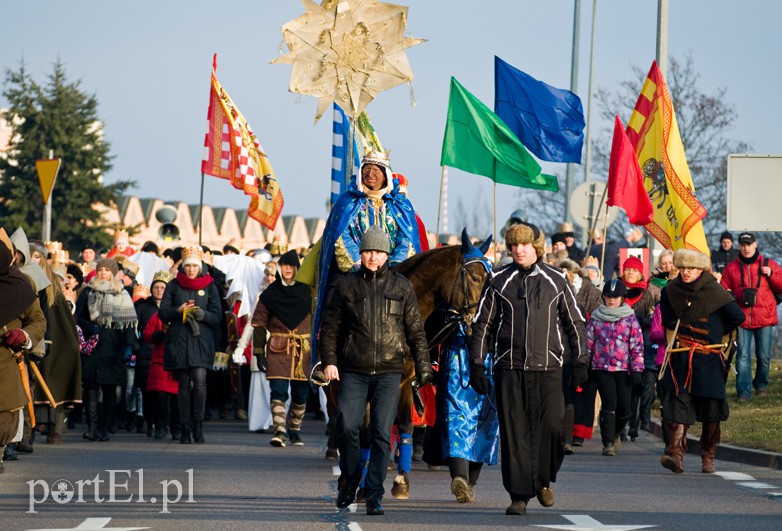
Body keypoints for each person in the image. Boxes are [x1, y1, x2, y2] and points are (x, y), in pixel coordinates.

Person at [469, 222, 589, 516]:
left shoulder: (556, 279)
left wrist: (581, 359)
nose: (519, 250)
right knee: (515, 433)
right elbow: (483, 324)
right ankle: (519, 495)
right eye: (514, 245)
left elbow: (575, 323)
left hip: (549, 368)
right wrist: (477, 364)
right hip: (509, 367)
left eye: (524, 245)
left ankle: (544, 480)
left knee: (552, 427)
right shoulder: (498, 279)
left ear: (536, 247)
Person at [319, 225, 433, 516]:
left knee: (382, 434)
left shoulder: (401, 286)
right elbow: (330, 328)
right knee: (347, 425)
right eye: (369, 251)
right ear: (362, 253)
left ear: (386, 255)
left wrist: (422, 366)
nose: (373, 257)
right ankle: (350, 480)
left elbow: (416, 332)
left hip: (389, 371)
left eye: (379, 252)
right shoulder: (345, 286)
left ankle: (373, 494)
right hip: (353, 370)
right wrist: (330, 361)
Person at [313, 150, 423, 365]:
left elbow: (407, 238)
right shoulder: (347, 202)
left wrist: (393, 267)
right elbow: (340, 236)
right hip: (354, 271)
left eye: (376, 170)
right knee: (334, 297)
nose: (370, 174)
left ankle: (422, 359)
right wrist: (360, 264)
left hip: (391, 272)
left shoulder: (400, 204)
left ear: (385, 175)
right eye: (366, 170)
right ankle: (324, 360)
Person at [659, 249, 745, 473]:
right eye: (683, 268)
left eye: (691, 268)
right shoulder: (670, 291)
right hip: (682, 357)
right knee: (679, 404)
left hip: (709, 358)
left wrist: (716, 333)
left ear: (700, 270)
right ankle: (675, 455)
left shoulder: (715, 291)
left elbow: (737, 316)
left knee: (711, 409)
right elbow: (667, 319)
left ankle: (708, 457)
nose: (686, 272)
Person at [158, 246, 222, 444]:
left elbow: (217, 315)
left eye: (195, 266)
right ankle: (184, 427)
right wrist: (178, 310)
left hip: (201, 340)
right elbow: (162, 313)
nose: (191, 270)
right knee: (184, 384)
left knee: (200, 380)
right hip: (180, 340)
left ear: (200, 266)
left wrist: (202, 314)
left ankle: (198, 424)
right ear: (183, 267)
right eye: (188, 266)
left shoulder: (210, 285)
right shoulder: (174, 285)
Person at [249, 250, 312, 448]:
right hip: (278, 348)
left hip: (303, 350)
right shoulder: (270, 294)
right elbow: (259, 323)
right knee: (278, 391)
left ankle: (294, 429)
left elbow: (321, 321)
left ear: (297, 268)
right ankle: (279, 431)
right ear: (279, 268)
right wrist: (258, 352)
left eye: (292, 266)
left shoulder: (309, 291)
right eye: (285, 265)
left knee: (301, 394)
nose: (288, 269)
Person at [75, 258, 139, 442]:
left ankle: (105, 427)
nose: (103, 272)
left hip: (114, 345)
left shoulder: (122, 293)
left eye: (107, 270)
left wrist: (129, 346)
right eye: (100, 269)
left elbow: (128, 324)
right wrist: (88, 326)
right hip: (93, 345)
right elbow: (77, 317)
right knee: (91, 388)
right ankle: (93, 427)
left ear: (113, 272)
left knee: (111, 389)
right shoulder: (88, 291)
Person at [0, 228, 47, 473]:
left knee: (6, 411)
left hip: (6, 359)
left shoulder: (21, 284)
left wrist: (23, 336)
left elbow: (38, 320)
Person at [719, 232, 782, 401]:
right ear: (739, 246)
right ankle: (743, 393)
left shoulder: (769, 264)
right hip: (742, 318)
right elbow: (722, 291)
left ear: (755, 245)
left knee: (764, 356)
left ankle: (761, 385)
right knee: (743, 357)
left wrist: (771, 274)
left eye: (749, 244)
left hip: (764, 317)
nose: (746, 248)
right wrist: (735, 294)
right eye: (743, 245)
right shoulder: (731, 268)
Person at [587, 279, 645, 456]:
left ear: (622, 298)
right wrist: (584, 366)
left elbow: (637, 346)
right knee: (609, 403)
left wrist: (637, 369)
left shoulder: (630, 319)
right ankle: (608, 442)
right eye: (608, 296)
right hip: (601, 367)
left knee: (624, 408)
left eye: (615, 297)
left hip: (623, 369)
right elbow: (588, 343)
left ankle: (617, 431)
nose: (611, 300)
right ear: (603, 297)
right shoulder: (596, 318)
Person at [141, 271, 180, 440]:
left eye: (162, 287)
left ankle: (177, 427)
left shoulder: (178, 312)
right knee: (160, 398)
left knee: (177, 400)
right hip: (159, 360)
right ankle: (161, 426)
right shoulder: (156, 316)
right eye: (156, 287)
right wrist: (159, 335)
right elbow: (147, 333)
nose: (159, 290)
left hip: (177, 360)